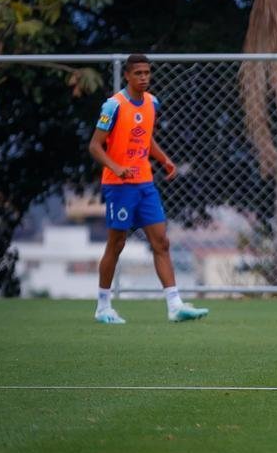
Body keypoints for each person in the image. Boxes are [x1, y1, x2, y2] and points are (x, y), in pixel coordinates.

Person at [88, 54, 209, 324]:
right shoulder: (113, 106)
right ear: (127, 76)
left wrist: (163, 159)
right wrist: (117, 167)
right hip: (119, 186)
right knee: (116, 244)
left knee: (162, 242)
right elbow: (95, 146)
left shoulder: (152, 102)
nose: (144, 77)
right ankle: (103, 306)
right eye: (139, 73)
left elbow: (145, 135)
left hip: (144, 182)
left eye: (147, 73)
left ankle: (175, 305)